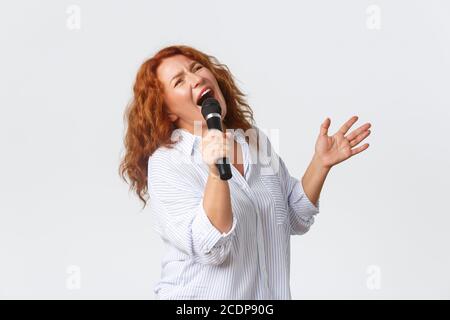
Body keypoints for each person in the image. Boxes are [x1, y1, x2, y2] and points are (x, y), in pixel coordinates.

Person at [119, 45, 372, 299]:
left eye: (197, 68)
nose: (197, 79)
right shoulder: (168, 163)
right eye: (179, 81)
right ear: (168, 111)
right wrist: (217, 173)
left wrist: (321, 163)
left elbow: (293, 216)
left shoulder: (253, 142)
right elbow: (212, 250)